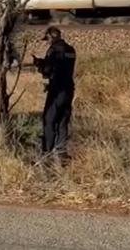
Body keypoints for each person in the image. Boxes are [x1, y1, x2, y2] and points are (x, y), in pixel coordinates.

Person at [33, 26, 76, 160]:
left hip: (57, 89)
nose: (47, 42)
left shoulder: (54, 50)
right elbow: (63, 66)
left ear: (53, 36)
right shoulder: (71, 49)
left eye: (48, 39)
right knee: (63, 120)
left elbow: (48, 70)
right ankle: (61, 152)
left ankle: (46, 152)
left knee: (49, 120)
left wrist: (39, 64)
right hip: (68, 88)